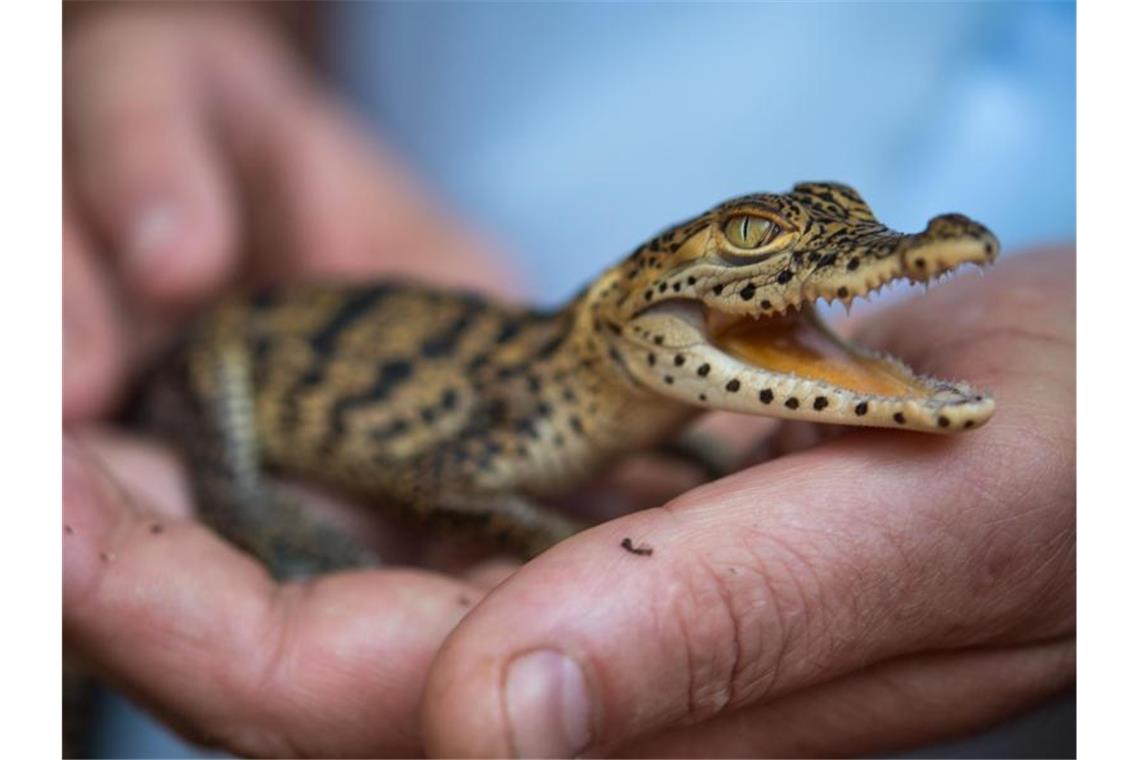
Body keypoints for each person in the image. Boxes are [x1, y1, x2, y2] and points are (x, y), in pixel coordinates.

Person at [63, 4, 1075, 757]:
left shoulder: (641, 399)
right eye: (749, 240)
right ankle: (235, 502)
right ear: (646, 305)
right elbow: (438, 482)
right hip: (234, 347)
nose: (775, 263)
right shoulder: (550, 404)